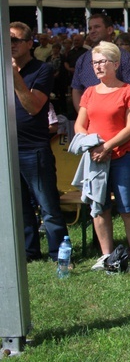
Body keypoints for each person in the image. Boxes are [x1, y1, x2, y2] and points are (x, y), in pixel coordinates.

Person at [73, 42, 130, 273]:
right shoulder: (89, 92)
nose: (98, 66)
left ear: (115, 63)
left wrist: (107, 146)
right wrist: (93, 145)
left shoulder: (128, 92)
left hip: (122, 156)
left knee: (127, 207)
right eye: (95, 62)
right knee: (99, 206)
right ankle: (106, 256)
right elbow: (79, 125)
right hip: (95, 158)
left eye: (102, 61)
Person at [11, 22, 69, 262]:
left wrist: (14, 76)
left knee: (47, 205)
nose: (10, 44)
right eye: (7, 40)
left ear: (28, 43)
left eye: (15, 40)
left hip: (33, 148)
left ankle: (59, 254)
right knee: (20, 207)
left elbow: (34, 107)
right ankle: (29, 252)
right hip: (9, 150)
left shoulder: (41, 70)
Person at [71, 14, 130, 112]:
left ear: (109, 30)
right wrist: (84, 116)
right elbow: (77, 89)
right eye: (90, 28)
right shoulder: (82, 59)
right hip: (90, 121)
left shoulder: (124, 57)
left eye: (97, 27)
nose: (92, 31)